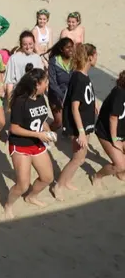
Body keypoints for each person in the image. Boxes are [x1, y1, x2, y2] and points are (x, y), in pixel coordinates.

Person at [4, 69, 55, 218]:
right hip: (20, 145)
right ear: (36, 84)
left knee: (47, 177)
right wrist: (38, 134)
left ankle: (31, 197)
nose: (47, 84)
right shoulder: (20, 102)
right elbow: (14, 128)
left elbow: (42, 118)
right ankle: (8, 205)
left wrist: (48, 131)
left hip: (37, 143)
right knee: (22, 184)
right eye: (45, 82)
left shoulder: (40, 97)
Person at [54, 43, 98, 200]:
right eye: (96, 55)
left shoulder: (83, 75)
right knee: (78, 158)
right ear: (90, 57)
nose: (97, 58)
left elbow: (86, 96)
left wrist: (94, 105)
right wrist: (80, 132)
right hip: (79, 126)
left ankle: (66, 181)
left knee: (79, 156)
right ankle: (58, 185)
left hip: (86, 122)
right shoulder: (79, 78)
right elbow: (74, 106)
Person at [93, 70, 125, 185]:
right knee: (120, 165)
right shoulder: (119, 94)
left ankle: (121, 174)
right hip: (106, 133)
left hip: (122, 132)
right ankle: (97, 176)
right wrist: (115, 140)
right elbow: (113, 118)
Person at [5, 31, 44, 97]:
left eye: (30, 44)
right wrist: (9, 102)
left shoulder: (37, 58)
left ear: (34, 43)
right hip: (20, 95)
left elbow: (41, 79)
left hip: (35, 96)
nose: (28, 47)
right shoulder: (14, 58)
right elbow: (9, 82)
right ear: (21, 45)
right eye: (25, 44)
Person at [47, 37, 74, 130]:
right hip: (56, 96)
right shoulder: (53, 62)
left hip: (70, 96)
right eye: (67, 47)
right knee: (59, 122)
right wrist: (62, 98)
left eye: (72, 47)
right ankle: (48, 131)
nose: (71, 50)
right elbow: (52, 83)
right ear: (61, 49)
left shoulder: (74, 61)